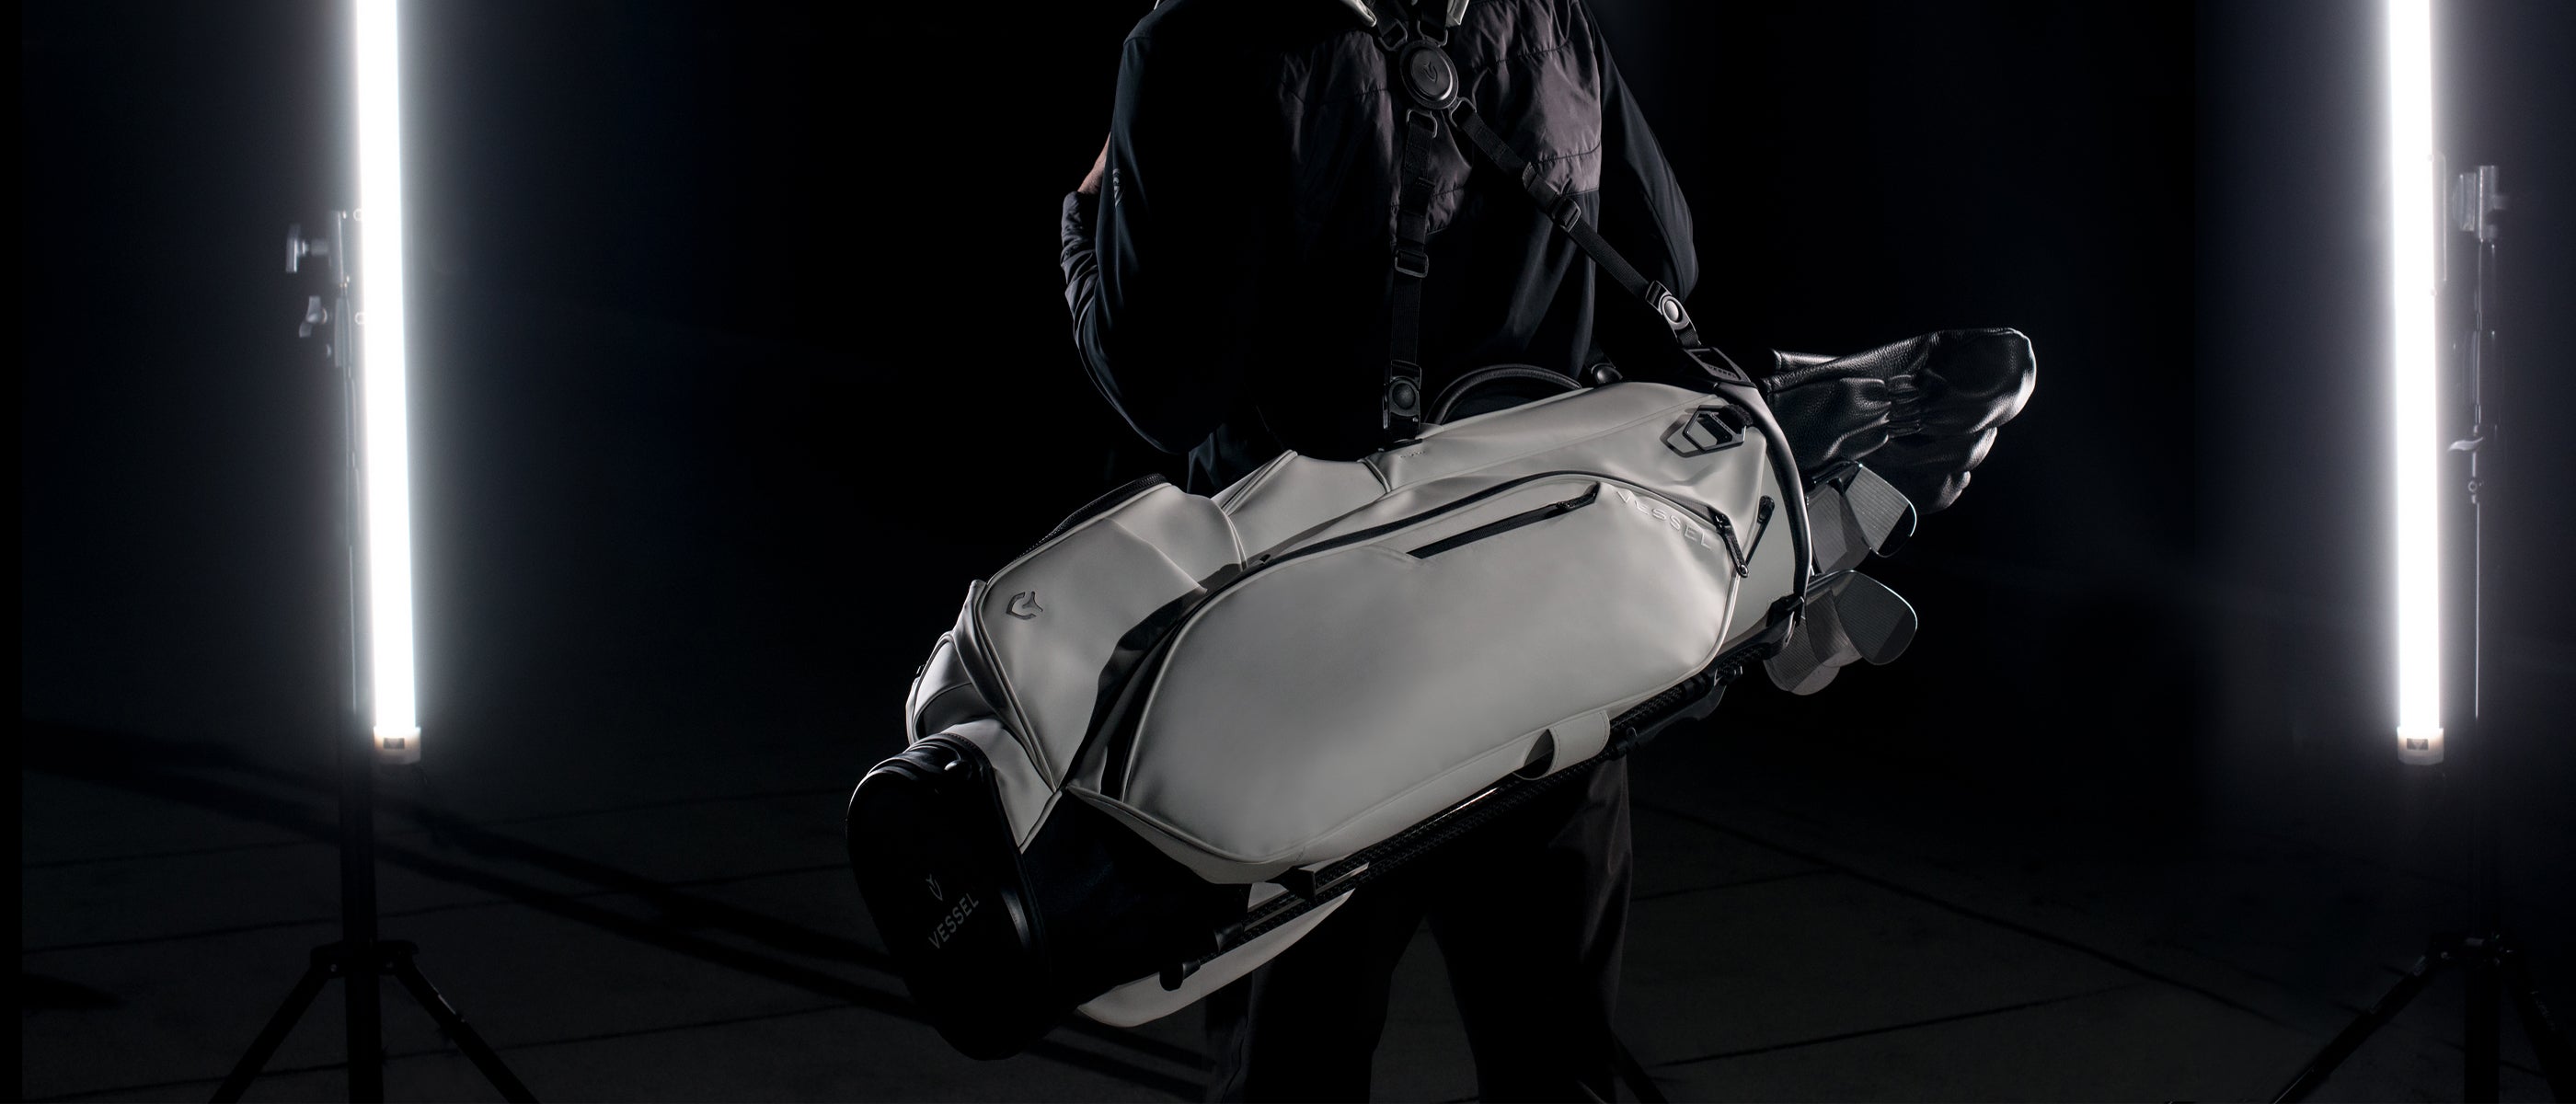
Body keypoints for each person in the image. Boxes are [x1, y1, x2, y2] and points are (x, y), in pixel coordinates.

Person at [1056, 0, 1697, 1098]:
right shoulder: (1544, 18)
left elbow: (1163, 385)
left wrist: (1082, 226)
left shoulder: (1196, 44)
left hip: (1317, 679)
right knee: (1558, 1061)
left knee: (1291, 1065)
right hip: (1548, 640)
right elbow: (1666, 267)